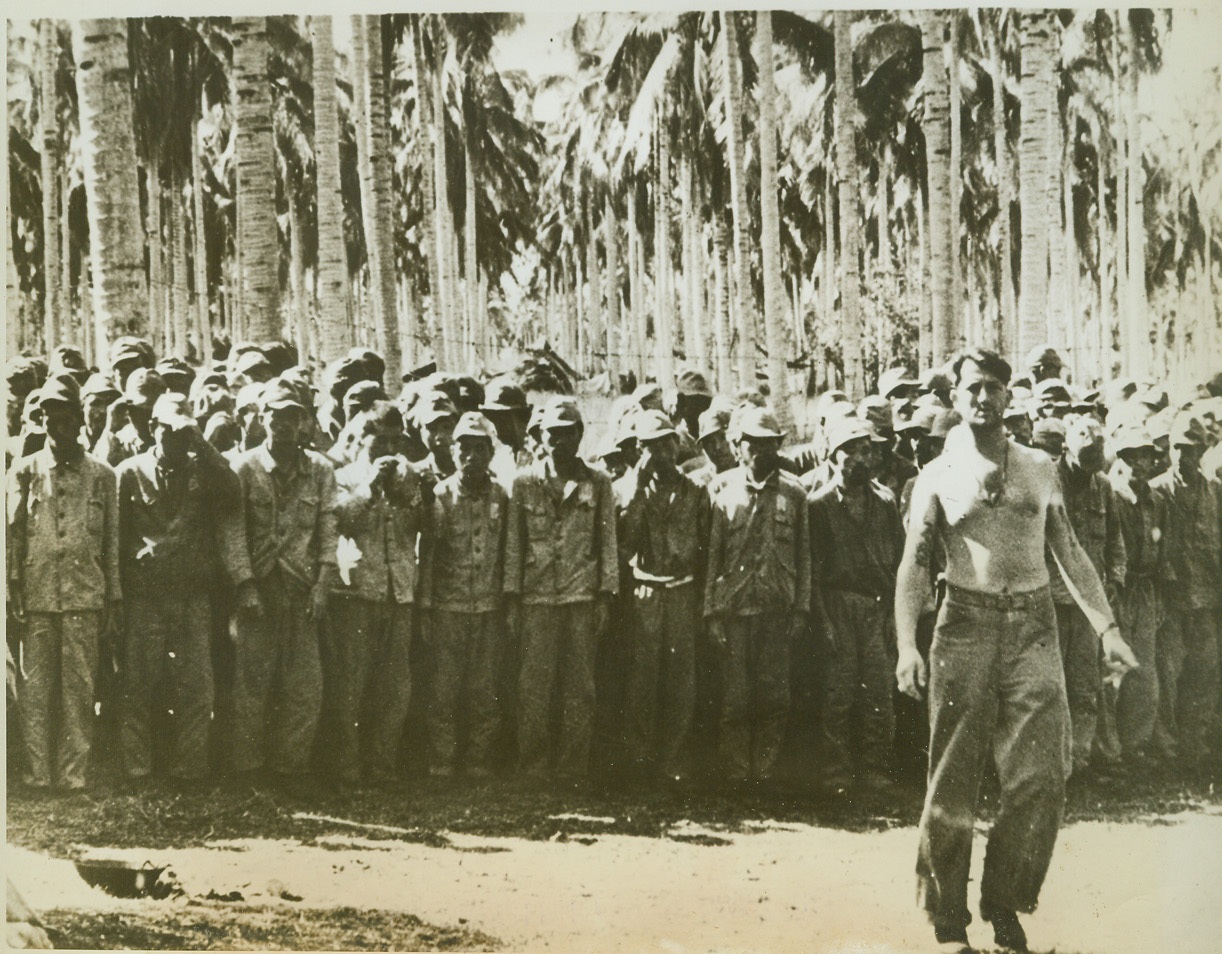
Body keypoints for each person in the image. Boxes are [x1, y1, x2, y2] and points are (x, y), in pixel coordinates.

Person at [895, 349, 1137, 952]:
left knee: (1041, 775)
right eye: (972, 388)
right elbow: (914, 566)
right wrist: (907, 644)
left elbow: (1071, 551)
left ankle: (1004, 903)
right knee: (952, 777)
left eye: (994, 388)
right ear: (956, 397)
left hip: (1033, 625)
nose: (983, 398)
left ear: (1009, 397)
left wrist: (1106, 627)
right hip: (965, 625)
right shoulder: (936, 475)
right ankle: (948, 921)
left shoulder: (1039, 467)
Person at [114, 394, 240, 782]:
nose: (178, 441)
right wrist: (138, 553)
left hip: (191, 596)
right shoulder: (129, 472)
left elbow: (234, 492)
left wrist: (200, 444)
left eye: (185, 433)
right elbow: (115, 537)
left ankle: (190, 766)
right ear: (153, 429)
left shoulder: (204, 470)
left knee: (197, 687)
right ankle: (138, 768)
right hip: (146, 596)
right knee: (139, 684)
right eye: (171, 431)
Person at [6, 375, 121, 790]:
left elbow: (111, 545)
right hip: (36, 597)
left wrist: (113, 599)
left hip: (83, 598)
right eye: (51, 419)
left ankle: (73, 775)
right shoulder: (24, 471)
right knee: (35, 692)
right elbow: (13, 537)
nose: (59, 427)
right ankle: (38, 774)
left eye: (67, 418)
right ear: (42, 422)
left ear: (79, 421)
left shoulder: (103, 476)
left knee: (78, 691)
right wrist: (13, 589)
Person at [225, 380, 339, 781]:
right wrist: (245, 585)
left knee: (305, 686)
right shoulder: (243, 468)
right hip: (260, 587)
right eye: (275, 416)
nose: (283, 425)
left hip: (302, 589)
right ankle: (249, 768)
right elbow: (233, 532)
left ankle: (292, 768)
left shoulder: (321, 470)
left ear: (304, 422)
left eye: (292, 416)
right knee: (252, 684)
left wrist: (324, 584)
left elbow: (328, 530)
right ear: (262, 419)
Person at [503, 400, 618, 781]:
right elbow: (514, 546)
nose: (561, 440)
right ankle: (532, 766)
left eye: (568, 433)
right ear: (541, 437)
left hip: (580, 597)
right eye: (553, 433)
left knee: (579, 688)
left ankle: (573, 768)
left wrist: (605, 596)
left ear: (580, 436)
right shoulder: (523, 483)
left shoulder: (598, 483)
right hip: (536, 598)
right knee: (533, 686)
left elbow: (607, 542)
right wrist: (513, 599)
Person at [705, 406, 810, 783]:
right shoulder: (721, 489)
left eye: (771, 444)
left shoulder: (795, 493)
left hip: (776, 610)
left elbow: (804, 556)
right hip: (734, 612)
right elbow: (713, 557)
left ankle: (764, 773)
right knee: (735, 699)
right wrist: (712, 613)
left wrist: (800, 610)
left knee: (774, 698)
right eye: (755, 444)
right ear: (738, 447)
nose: (764, 451)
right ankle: (736, 773)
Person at [328, 402, 426, 786]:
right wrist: (370, 487)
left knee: (394, 687)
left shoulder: (410, 477)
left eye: (393, 440)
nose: (386, 449)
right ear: (361, 438)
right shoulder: (342, 477)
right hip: (357, 593)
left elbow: (425, 526)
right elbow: (338, 521)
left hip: (398, 592)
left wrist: (413, 491)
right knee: (352, 684)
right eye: (378, 440)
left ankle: (383, 765)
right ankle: (348, 766)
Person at [809, 416, 905, 794]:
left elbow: (899, 564)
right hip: (837, 605)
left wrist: (894, 617)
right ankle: (836, 772)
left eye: (866, 450)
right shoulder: (818, 506)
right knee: (838, 693)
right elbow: (813, 572)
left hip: (876, 606)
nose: (861, 458)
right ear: (834, 457)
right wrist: (825, 621)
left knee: (879, 694)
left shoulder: (885, 503)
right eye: (851, 450)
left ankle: (874, 769)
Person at [614, 410, 709, 782]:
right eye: (652, 447)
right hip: (647, 592)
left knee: (681, 681)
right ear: (641, 451)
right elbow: (626, 545)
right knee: (643, 679)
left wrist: (702, 598)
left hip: (683, 592)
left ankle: (675, 760)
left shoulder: (696, 491)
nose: (662, 454)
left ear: (676, 444)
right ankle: (641, 757)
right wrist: (637, 487)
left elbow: (705, 551)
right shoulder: (634, 492)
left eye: (666, 444)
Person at [418, 412, 508, 779]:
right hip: (448, 607)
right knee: (444, 689)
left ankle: (478, 761)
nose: (471, 457)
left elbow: (507, 553)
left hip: (488, 606)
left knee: (485, 688)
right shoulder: (439, 495)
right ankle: (442, 761)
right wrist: (425, 606)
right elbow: (427, 555)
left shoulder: (503, 495)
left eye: (479, 449)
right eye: (464, 448)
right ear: (453, 452)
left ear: (491, 452)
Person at [1048, 415, 1127, 779]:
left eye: (1097, 455)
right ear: (1066, 448)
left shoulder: (1104, 486)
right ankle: (1051, 765)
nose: (1091, 463)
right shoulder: (1046, 480)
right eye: (1085, 455)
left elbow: (1115, 541)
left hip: (1088, 607)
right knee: (1050, 687)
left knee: (1084, 686)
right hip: (1050, 600)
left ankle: (1077, 761)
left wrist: (1116, 578)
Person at [1149, 416, 1221, 777]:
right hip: (1172, 600)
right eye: (1177, 447)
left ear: (1202, 450)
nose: (1181, 455)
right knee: (1168, 673)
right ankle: (1167, 749)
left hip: (1207, 598)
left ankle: (1197, 746)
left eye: (1190, 449)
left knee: (1205, 672)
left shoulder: (1215, 490)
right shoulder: (1158, 491)